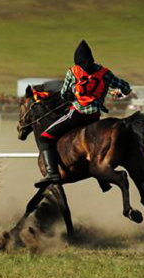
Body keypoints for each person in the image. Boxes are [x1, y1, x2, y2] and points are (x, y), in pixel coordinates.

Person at [34, 40, 132, 188]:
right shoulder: (104, 73)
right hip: (94, 118)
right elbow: (126, 88)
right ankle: (102, 180)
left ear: (77, 61)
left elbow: (64, 94)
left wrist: (73, 94)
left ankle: (52, 173)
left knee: (44, 139)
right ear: (92, 58)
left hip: (77, 116)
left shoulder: (73, 72)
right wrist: (118, 93)